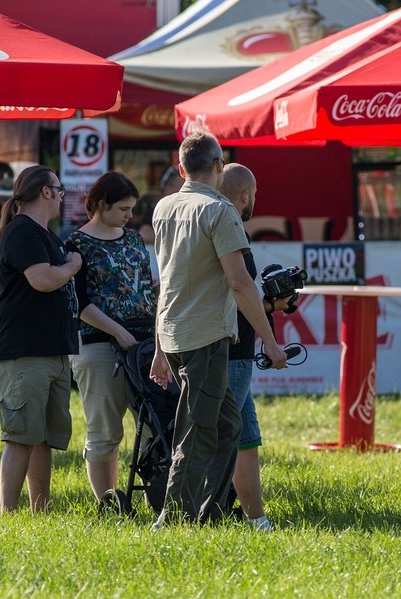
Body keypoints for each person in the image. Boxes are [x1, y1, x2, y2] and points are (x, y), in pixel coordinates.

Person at [148, 132, 288, 527]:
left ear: (181, 169)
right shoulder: (221, 210)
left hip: (173, 333)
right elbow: (240, 283)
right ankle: (173, 520)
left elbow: (168, 281)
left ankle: (210, 514)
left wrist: (158, 348)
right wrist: (272, 343)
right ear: (218, 166)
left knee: (228, 425)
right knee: (197, 432)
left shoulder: (164, 207)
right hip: (206, 336)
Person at [0, 165, 81, 513]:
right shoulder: (23, 231)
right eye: (60, 190)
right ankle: (8, 516)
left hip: (52, 351)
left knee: (44, 438)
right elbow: (42, 280)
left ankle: (39, 512)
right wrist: (72, 265)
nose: (62, 197)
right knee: (20, 437)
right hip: (25, 352)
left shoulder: (45, 234)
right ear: (46, 191)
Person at [67, 171, 158, 503]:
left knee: (155, 424)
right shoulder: (75, 244)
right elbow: (79, 304)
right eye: (123, 208)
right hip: (98, 345)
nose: (129, 215)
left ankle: (156, 496)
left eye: (132, 208)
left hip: (144, 344)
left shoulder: (133, 238)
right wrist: (118, 332)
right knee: (105, 431)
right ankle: (108, 502)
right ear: (101, 205)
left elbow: (145, 288)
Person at [220, 163, 291, 531]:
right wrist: (272, 337)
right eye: (255, 194)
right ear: (245, 196)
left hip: (233, 351)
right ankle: (196, 516)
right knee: (225, 439)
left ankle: (256, 520)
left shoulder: (216, 224)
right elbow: (236, 291)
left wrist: (268, 304)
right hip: (230, 352)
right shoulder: (227, 227)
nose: (255, 201)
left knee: (246, 439)